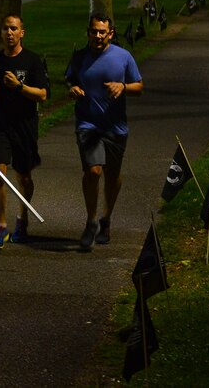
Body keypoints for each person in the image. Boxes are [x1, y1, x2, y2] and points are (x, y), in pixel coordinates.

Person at [64, 13, 143, 250]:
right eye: (94, 31)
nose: (98, 36)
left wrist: (123, 86)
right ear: (88, 32)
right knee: (93, 171)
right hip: (88, 125)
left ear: (111, 33)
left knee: (112, 175)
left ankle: (106, 218)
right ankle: (91, 221)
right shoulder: (79, 57)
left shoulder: (123, 56)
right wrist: (73, 89)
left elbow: (139, 86)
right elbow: (70, 80)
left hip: (115, 126)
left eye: (102, 32)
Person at [0, 14, 49, 249]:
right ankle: (1, 225)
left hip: (24, 125)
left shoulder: (32, 60)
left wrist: (19, 86)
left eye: (13, 28)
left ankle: (22, 218)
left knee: (24, 177)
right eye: (5, 29)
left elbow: (42, 95)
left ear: (22, 33)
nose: (9, 33)